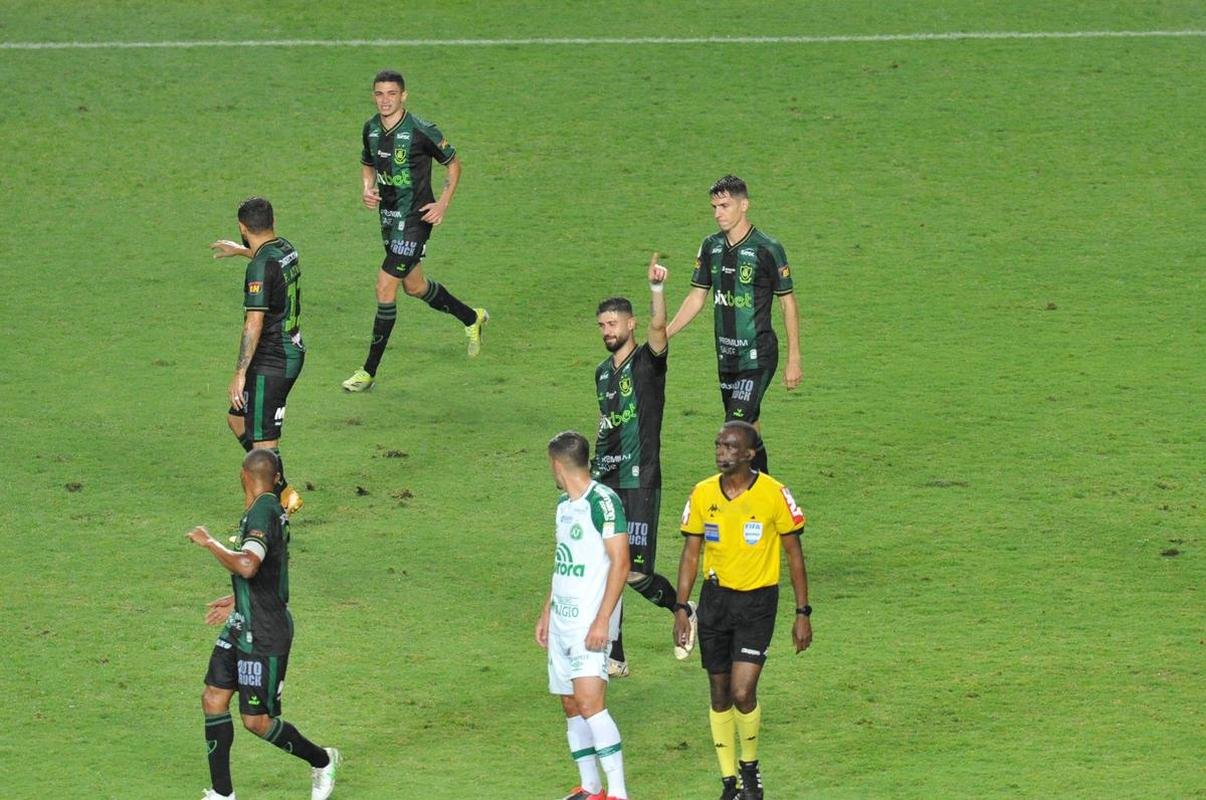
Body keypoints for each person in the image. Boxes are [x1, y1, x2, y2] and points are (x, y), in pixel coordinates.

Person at [186, 449, 339, 800]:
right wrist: (238, 599)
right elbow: (272, 568)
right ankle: (223, 794)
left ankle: (322, 760)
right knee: (213, 698)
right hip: (243, 621)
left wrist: (209, 542)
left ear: (244, 475)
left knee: (256, 721)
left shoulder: (264, 512)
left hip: (266, 634)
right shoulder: (269, 509)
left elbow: (248, 565)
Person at [673, 421, 812, 800]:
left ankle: (749, 767)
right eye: (719, 445)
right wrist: (682, 607)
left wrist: (803, 612)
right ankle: (728, 784)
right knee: (718, 695)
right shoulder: (702, 493)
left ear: (750, 454)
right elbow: (690, 554)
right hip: (716, 602)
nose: (722, 452)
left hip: (757, 604)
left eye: (731, 447)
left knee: (742, 691)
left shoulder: (773, 494)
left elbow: (794, 555)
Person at [341, 69, 488, 392]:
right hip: (389, 218)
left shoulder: (422, 130)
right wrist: (367, 188)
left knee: (384, 288)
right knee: (415, 286)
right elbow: (367, 162)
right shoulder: (370, 129)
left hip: (415, 220)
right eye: (379, 94)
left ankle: (368, 372)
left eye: (391, 94)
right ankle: (471, 318)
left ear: (403, 96)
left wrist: (443, 204)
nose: (385, 100)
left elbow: (453, 163)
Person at [591, 253, 696, 677]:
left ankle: (682, 608)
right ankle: (615, 656)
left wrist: (657, 290)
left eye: (613, 324)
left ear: (630, 324)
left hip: (640, 479)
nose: (607, 332)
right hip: (606, 480)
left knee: (632, 572)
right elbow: (606, 427)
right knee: (605, 569)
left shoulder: (649, 362)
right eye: (601, 326)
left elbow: (659, 328)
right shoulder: (601, 373)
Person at [666, 175, 802, 475]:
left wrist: (794, 359)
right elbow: (696, 297)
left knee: (733, 427)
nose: (718, 213)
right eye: (714, 206)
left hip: (758, 356)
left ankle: (738, 494)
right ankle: (769, 493)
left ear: (744, 205)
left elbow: (787, 302)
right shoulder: (710, 247)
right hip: (726, 358)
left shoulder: (767, 248)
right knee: (749, 428)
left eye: (725, 205)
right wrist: (665, 333)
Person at [535, 431, 632, 800]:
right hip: (561, 622)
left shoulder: (603, 502)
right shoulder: (564, 504)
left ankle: (619, 793)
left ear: (557, 465)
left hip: (589, 624)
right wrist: (547, 611)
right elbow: (564, 563)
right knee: (571, 704)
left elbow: (621, 564)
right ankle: (591, 788)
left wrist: (603, 621)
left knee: (591, 704)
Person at [210, 196, 305, 514]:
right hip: (288, 349)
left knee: (260, 456)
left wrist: (239, 373)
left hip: (272, 360)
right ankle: (283, 490)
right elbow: (266, 261)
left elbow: (254, 323)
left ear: (242, 227)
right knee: (237, 419)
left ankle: (266, 523)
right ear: (272, 222)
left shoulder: (260, 267)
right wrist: (239, 251)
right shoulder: (285, 248)